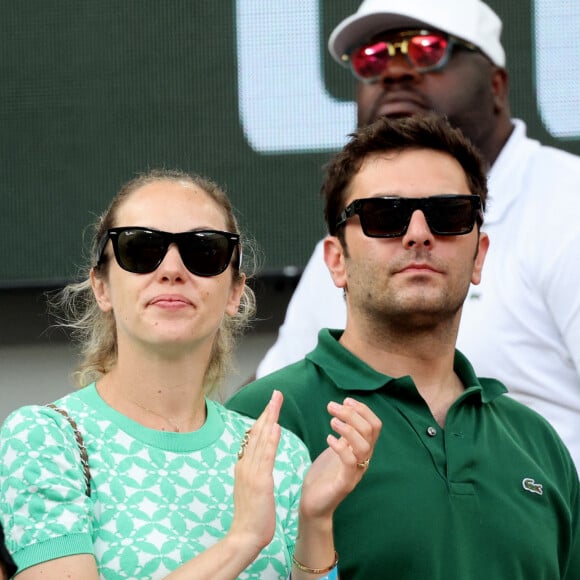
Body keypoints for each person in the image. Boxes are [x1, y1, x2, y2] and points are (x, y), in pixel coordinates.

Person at [228, 114, 580, 579]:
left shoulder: (539, 444)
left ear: (480, 255)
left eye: (449, 214)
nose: (418, 233)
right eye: (384, 216)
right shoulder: (260, 421)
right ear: (336, 262)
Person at [0, 169, 381, 579]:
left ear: (235, 292)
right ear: (102, 286)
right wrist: (242, 540)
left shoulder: (281, 455)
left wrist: (316, 520)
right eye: (140, 248)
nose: (171, 269)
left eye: (205, 252)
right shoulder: (44, 439)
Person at [255, 0, 580, 469]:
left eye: (426, 51)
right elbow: (272, 413)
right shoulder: (361, 236)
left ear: (496, 85)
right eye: (372, 60)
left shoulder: (568, 203)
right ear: (337, 259)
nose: (393, 72)